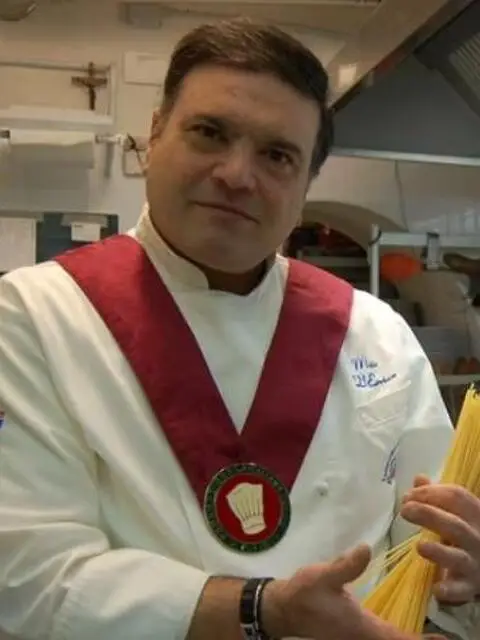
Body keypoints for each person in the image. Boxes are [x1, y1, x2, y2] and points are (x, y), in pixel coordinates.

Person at [0, 17, 479, 640]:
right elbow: (28, 575)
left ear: (305, 185)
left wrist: (462, 580)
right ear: (155, 133)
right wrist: (263, 609)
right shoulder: (32, 316)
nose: (236, 174)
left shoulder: (376, 333)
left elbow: (431, 556)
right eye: (209, 132)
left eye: (277, 155)